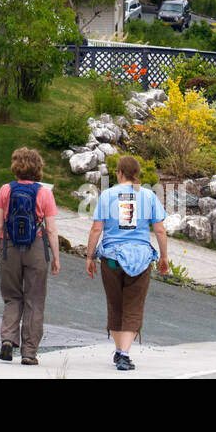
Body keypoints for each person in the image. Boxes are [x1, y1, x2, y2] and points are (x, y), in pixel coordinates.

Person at [86, 155, 168, 371]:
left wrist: (89, 256)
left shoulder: (107, 195)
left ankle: (119, 351)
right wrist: (164, 256)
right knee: (133, 305)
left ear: (120, 173)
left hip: (111, 260)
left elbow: (96, 228)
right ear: (137, 174)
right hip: (140, 260)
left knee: (115, 304)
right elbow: (159, 229)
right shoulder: (149, 196)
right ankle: (124, 353)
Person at [0, 147, 59, 365]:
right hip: (36, 247)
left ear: (16, 166)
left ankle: (8, 340)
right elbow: (51, 229)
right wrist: (56, 257)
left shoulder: (5, 190)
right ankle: (29, 352)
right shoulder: (44, 193)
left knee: (12, 297)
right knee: (34, 300)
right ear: (38, 168)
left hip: (10, 247)